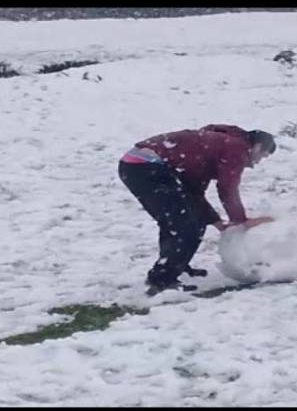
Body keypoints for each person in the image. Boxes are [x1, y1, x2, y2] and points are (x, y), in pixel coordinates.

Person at [118, 124, 276, 295]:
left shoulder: (216, 145)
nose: (258, 162)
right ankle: (162, 280)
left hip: (139, 166)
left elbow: (193, 192)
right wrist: (240, 220)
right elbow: (227, 188)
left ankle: (176, 266)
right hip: (146, 167)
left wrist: (215, 221)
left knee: (191, 220)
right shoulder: (236, 148)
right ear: (258, 146)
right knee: (184, 227)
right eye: (262, 156)